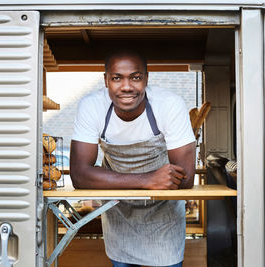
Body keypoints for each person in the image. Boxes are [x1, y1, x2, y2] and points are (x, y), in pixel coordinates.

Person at [70, 49, 196, 267]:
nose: (126, 87)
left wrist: (106, 179)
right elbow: (79, 175)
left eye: (135, 77)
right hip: (120, 211)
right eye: (117, 78)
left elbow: (185, 178)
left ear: (146, 79)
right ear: (106, 81)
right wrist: (147, 180)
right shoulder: (92, 106)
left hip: (163, 214)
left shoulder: (169, 105)